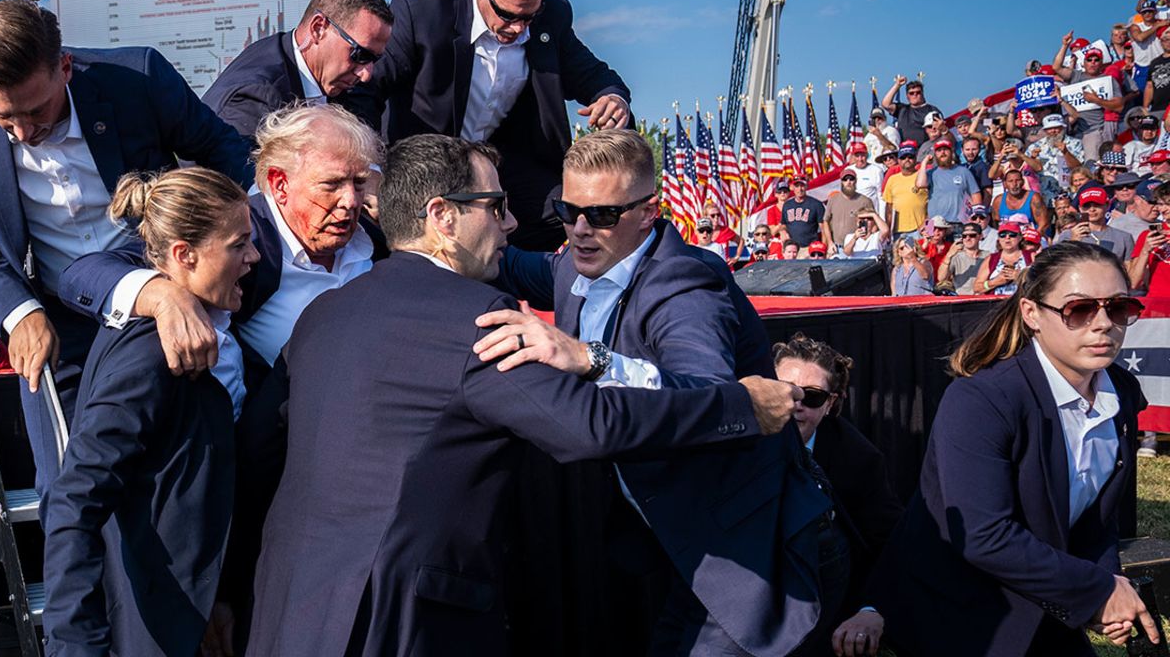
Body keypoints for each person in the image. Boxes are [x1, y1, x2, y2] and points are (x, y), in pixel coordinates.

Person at [245, 134, 805, 657]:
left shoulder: (321, 314)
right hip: (403, 616)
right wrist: (741, 405)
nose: (512, 223)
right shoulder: (479, 323)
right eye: (495, 207)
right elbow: (591, 426)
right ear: (442, 217)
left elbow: (259, 448)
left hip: (290, 603)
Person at [486, 128, 838, 657]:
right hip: (653, 539)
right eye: (567, 209)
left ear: (650, 212)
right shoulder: (573, 264)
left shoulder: (685, 287)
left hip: (733, 553)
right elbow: (506, 261)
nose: (580, 229)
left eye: (602, 215)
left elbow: (710, 396)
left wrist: (590, 358)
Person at [0, 0, 253, 496]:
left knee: (183, 470)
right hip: (55, 319)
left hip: (166, 298)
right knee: (67, 486)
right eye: (4, 118)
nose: (24, 134)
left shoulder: (138, 78)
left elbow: (228, 156)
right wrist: (19, 312)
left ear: (65, 67)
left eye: (37, 112)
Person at [870, 241, 1154, 656]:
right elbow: (984, 535)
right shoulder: (981, 400)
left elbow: (1098, 519)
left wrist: (1107, 587)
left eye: (1118, 308)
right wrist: (1096, 590)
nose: (1103, 323)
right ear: (1031, 313)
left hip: (1049, 602)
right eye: (1079, 309)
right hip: (962, 617)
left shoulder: (1121, 391)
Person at [41, 168, 256, 655]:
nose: (254, 257)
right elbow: (76, 497)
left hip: (199, 607)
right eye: (239, 244)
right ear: (185, 254)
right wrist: (74, 643)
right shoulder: (151, 355)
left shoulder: (209, 320)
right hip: (158, 626)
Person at [58, 103, 388, 385]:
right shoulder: (241, 234)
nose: (350, 200)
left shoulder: (373, 234)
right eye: (331, 184)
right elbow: (82, 274)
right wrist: (161, 295)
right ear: (280, 184)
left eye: (359, 183)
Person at [355, 0, 632, 251]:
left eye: (529, 16)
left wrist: (612, 99)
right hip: (421, 165)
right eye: (508, 16)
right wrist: (371, 170)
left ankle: (510, 276)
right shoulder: (421, 14)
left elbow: (597, 77)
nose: (518, 29)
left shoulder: (552, 17)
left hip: (495, 164)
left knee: (566, 210)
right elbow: (365, 89)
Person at [773, 335, 904, 657]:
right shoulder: (730, 441)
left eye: (813, 397)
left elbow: (889, 542)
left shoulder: (857, 459)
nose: (796, 404)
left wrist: (871, 610)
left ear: (831, 404)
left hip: (822, 605)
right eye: (785, 390)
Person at [201, 0, 393, 142]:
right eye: (360, 55)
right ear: (318, 28)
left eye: (374, 60)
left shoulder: (337, 84)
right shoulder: (254, 99)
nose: (366, 74)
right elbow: (242, 182)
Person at [1062, 186, 1135, 263]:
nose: (1092, 209)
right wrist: (1074, 241)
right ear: (1080, 208)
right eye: (1086, 206)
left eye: (1097, 205)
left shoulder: (1124, 237)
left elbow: (1129, 270)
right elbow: (1058, 265)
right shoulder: (1067, 235)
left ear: (1107, 205)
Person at [920, 138, 982, 223]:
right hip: (935, 224)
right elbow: (920, 184)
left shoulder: (964, 171)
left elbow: (975, 194)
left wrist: (976, 216)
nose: (943, 153)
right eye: (939, 151)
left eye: (945, 150)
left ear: (952, 152)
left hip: (959, 223)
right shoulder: (930, 173)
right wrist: (924, 163)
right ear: (935, 154)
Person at [883, 142, 928, 240]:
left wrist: (929, 228)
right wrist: (888, 231)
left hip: (922, 230)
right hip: (898, 232)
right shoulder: (892, 179)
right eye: (903, 157)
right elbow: (889, 209)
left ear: (916, 159)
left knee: (926, 255)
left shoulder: (924, 176)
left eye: (910, 156)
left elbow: (934, 203)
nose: (907, 159)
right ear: (898, 160)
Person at [825, 168, 876, 251]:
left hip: (858, 247)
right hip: (837, 248)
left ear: (855, 181)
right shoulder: (832, 200)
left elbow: (874, 225)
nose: (848, 182)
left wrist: (868, 242)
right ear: (841, 182)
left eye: (851, 179)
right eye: (845, 179)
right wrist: (830, 242)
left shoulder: (865, 201)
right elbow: (825, 221)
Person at [974, 222, 1031, 296]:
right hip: (996, 304)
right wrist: (995, 282)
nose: (1007, 237)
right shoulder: (991, 259)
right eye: (1002, 235)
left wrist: (1020, 277)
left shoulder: (1031, 256)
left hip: (1021, 303)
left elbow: (1043, 283)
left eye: (1012, 235)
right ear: (999, 239)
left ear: (1020, 237)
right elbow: (977, 287)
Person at [990, 168, 1049, 234]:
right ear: (1005, 184)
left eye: (1017, 180)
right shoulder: (998, 201)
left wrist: (1032, 239)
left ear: (1023, 182)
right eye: (1010, 181)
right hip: (1007, 239)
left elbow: (1043, 224)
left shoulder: (1034, 198)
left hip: (1030, 238)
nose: (1014, 184)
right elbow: (996, 225)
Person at [882, 76, 938, 145]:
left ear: (922, 93)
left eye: (918, 92)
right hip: (906, 151)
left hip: (925, 151)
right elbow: (886, 104)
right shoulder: (902, 109)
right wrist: (897, 85)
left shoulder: (931, 110)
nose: (915, 95)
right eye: (911, 93)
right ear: (907, 96)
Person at [938, 222, 989, 295]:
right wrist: (949, 255)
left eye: (972, 235)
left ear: (980, 236)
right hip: (961, 299)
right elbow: (941, 278)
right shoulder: (955, 256)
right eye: (964, 236)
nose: (968, 238)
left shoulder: (989, 256)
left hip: (983, 298)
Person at [782, 177, 826, 248]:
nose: (800, 189)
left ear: (806, 186)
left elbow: (824, 228)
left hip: (810, 248)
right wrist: (783, 232)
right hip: (792, 249)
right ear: (792, 187)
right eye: (797, 186)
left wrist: (824, 247)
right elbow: (783, 225)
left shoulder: (816, 204)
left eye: (802, 185)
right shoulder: (787, 205)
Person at [842, 143, 885, 216]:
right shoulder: (848, 170)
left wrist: (881, 218)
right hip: (852, 213)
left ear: (867, 155)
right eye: (857, 156)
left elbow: (881, 196)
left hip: (870, 214)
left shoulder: (877, 170)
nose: (860, 159)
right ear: (853, 156)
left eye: (862, 156)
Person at [1145, 26, 1170, 116]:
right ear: (1161, 42)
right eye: (1166, 40)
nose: (1168, 43)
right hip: (1157, 108)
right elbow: (1149, 86)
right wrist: (1145, 108)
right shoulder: (1154, 63)